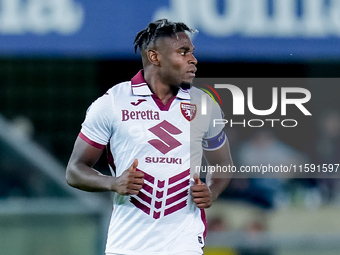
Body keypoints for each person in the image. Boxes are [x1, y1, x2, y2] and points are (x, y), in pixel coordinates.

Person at [66, 19, 233, 255]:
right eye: (183, 52)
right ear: (155, 57)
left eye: (192, 53)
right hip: (127, 245)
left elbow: (223, 164)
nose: (193, 60)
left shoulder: (204, 104)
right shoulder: (112, 102)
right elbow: (74, 170)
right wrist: (112, 183)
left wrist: (212, 191)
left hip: (184, 245)